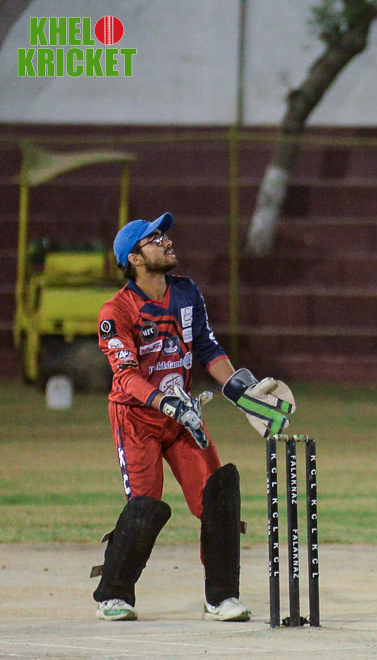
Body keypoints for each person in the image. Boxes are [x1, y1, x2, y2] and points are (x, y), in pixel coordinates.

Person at [93, 212, 295, 622]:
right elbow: (126, 377)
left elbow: (206, 347)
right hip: (137, 418)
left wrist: (241, 390)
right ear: (134, 258)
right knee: (144, 507)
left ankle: (221, 597)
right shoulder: (117, 310)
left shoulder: (187, 292)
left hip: (183, 415)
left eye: (164, 235)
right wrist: (166, 403)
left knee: (217, 498)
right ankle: (113, 595)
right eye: (154, 239)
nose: (166, 241)